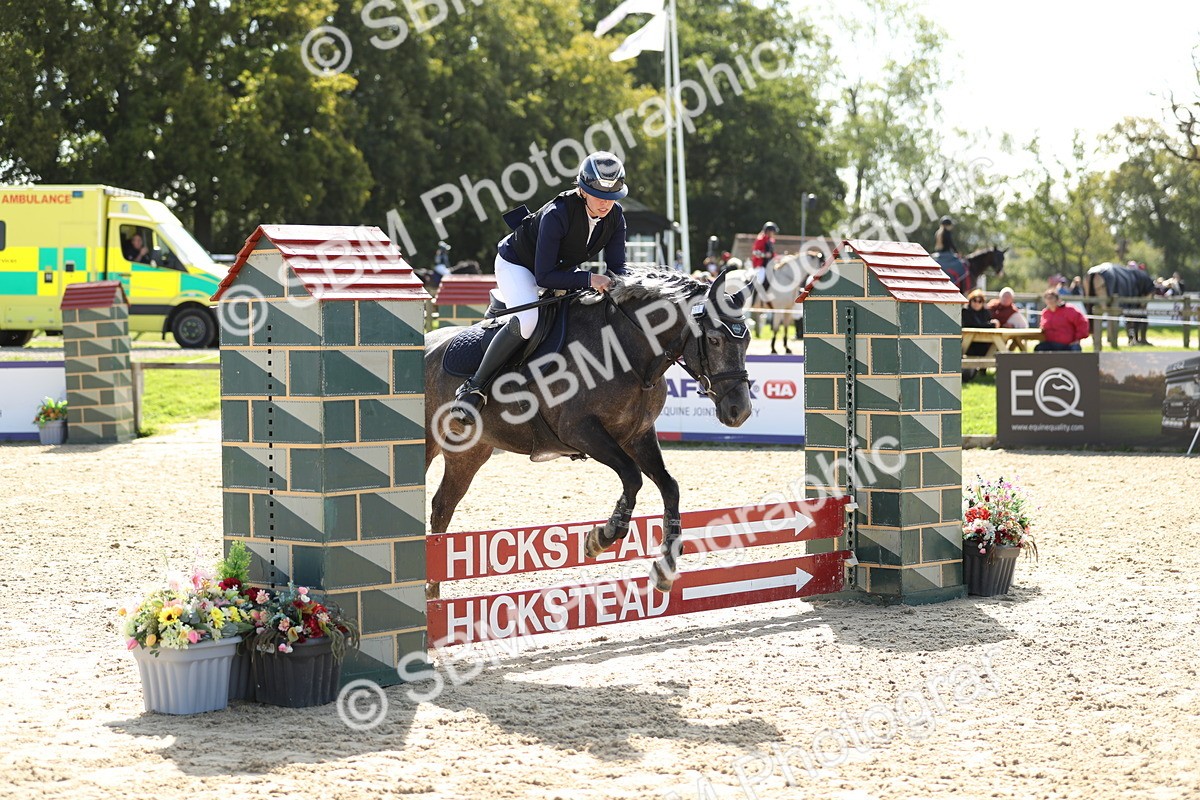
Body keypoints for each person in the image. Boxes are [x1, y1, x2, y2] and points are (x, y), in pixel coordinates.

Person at [450, 151, 628, 424]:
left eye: (612, 198)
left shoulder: (616, 218)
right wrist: (590, 279)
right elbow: (544, 276)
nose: (606, 204)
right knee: (528, 319)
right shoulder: (557, 214)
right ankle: (474, 389)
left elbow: (618, 270)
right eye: (599, 196)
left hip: (560, 269)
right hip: (518, 265)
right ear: (582, 190)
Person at [751, 222, 777, 289]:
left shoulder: (771, 240)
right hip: (760, 266)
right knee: (760, 280)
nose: (774, 233)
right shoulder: (760, 239)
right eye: (773, 231)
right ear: (768, 231)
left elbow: (772, 254)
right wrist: (764, 255)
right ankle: (753, 298)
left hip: (768, 265)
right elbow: (755, 252)